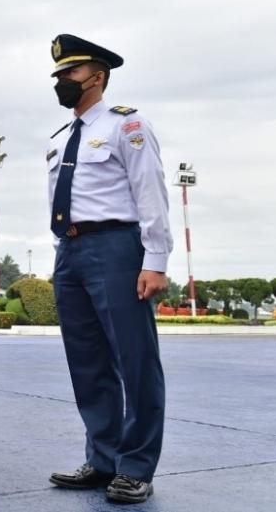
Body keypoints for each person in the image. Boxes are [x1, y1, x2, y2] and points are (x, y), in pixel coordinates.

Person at [43, 34, 172, 505]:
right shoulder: (59, 140)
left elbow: (151, 191)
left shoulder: (126, 125)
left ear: (96, 77)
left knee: (133, 360)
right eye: (58, 74)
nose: (61, 81)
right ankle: (102, 459)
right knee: (88, 362)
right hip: (71, 250)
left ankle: (136, 466)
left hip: (118, 248)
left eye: (70, 73)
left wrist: (154, 260)